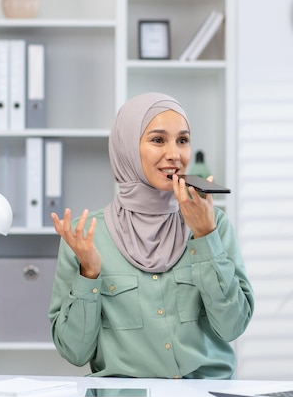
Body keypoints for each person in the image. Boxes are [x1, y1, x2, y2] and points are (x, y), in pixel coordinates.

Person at [48, 92, 254, 379]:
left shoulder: (213, 223)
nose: (175, 154)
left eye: (182, 140)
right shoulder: (87, 235)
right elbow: (74, 352)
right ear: (127, 149)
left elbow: (232, 327)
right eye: (158, 140)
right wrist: (89, 273)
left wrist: (205, 237)